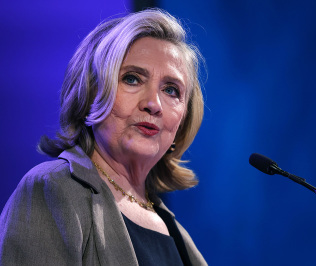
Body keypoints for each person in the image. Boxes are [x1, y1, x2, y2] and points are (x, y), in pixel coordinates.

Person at [0, 9, 207, 265]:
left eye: (171, 90)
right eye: (132, 79)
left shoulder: (173, 230)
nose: (154, 104)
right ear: (90, 94)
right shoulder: (52, 190)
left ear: (184, 118)